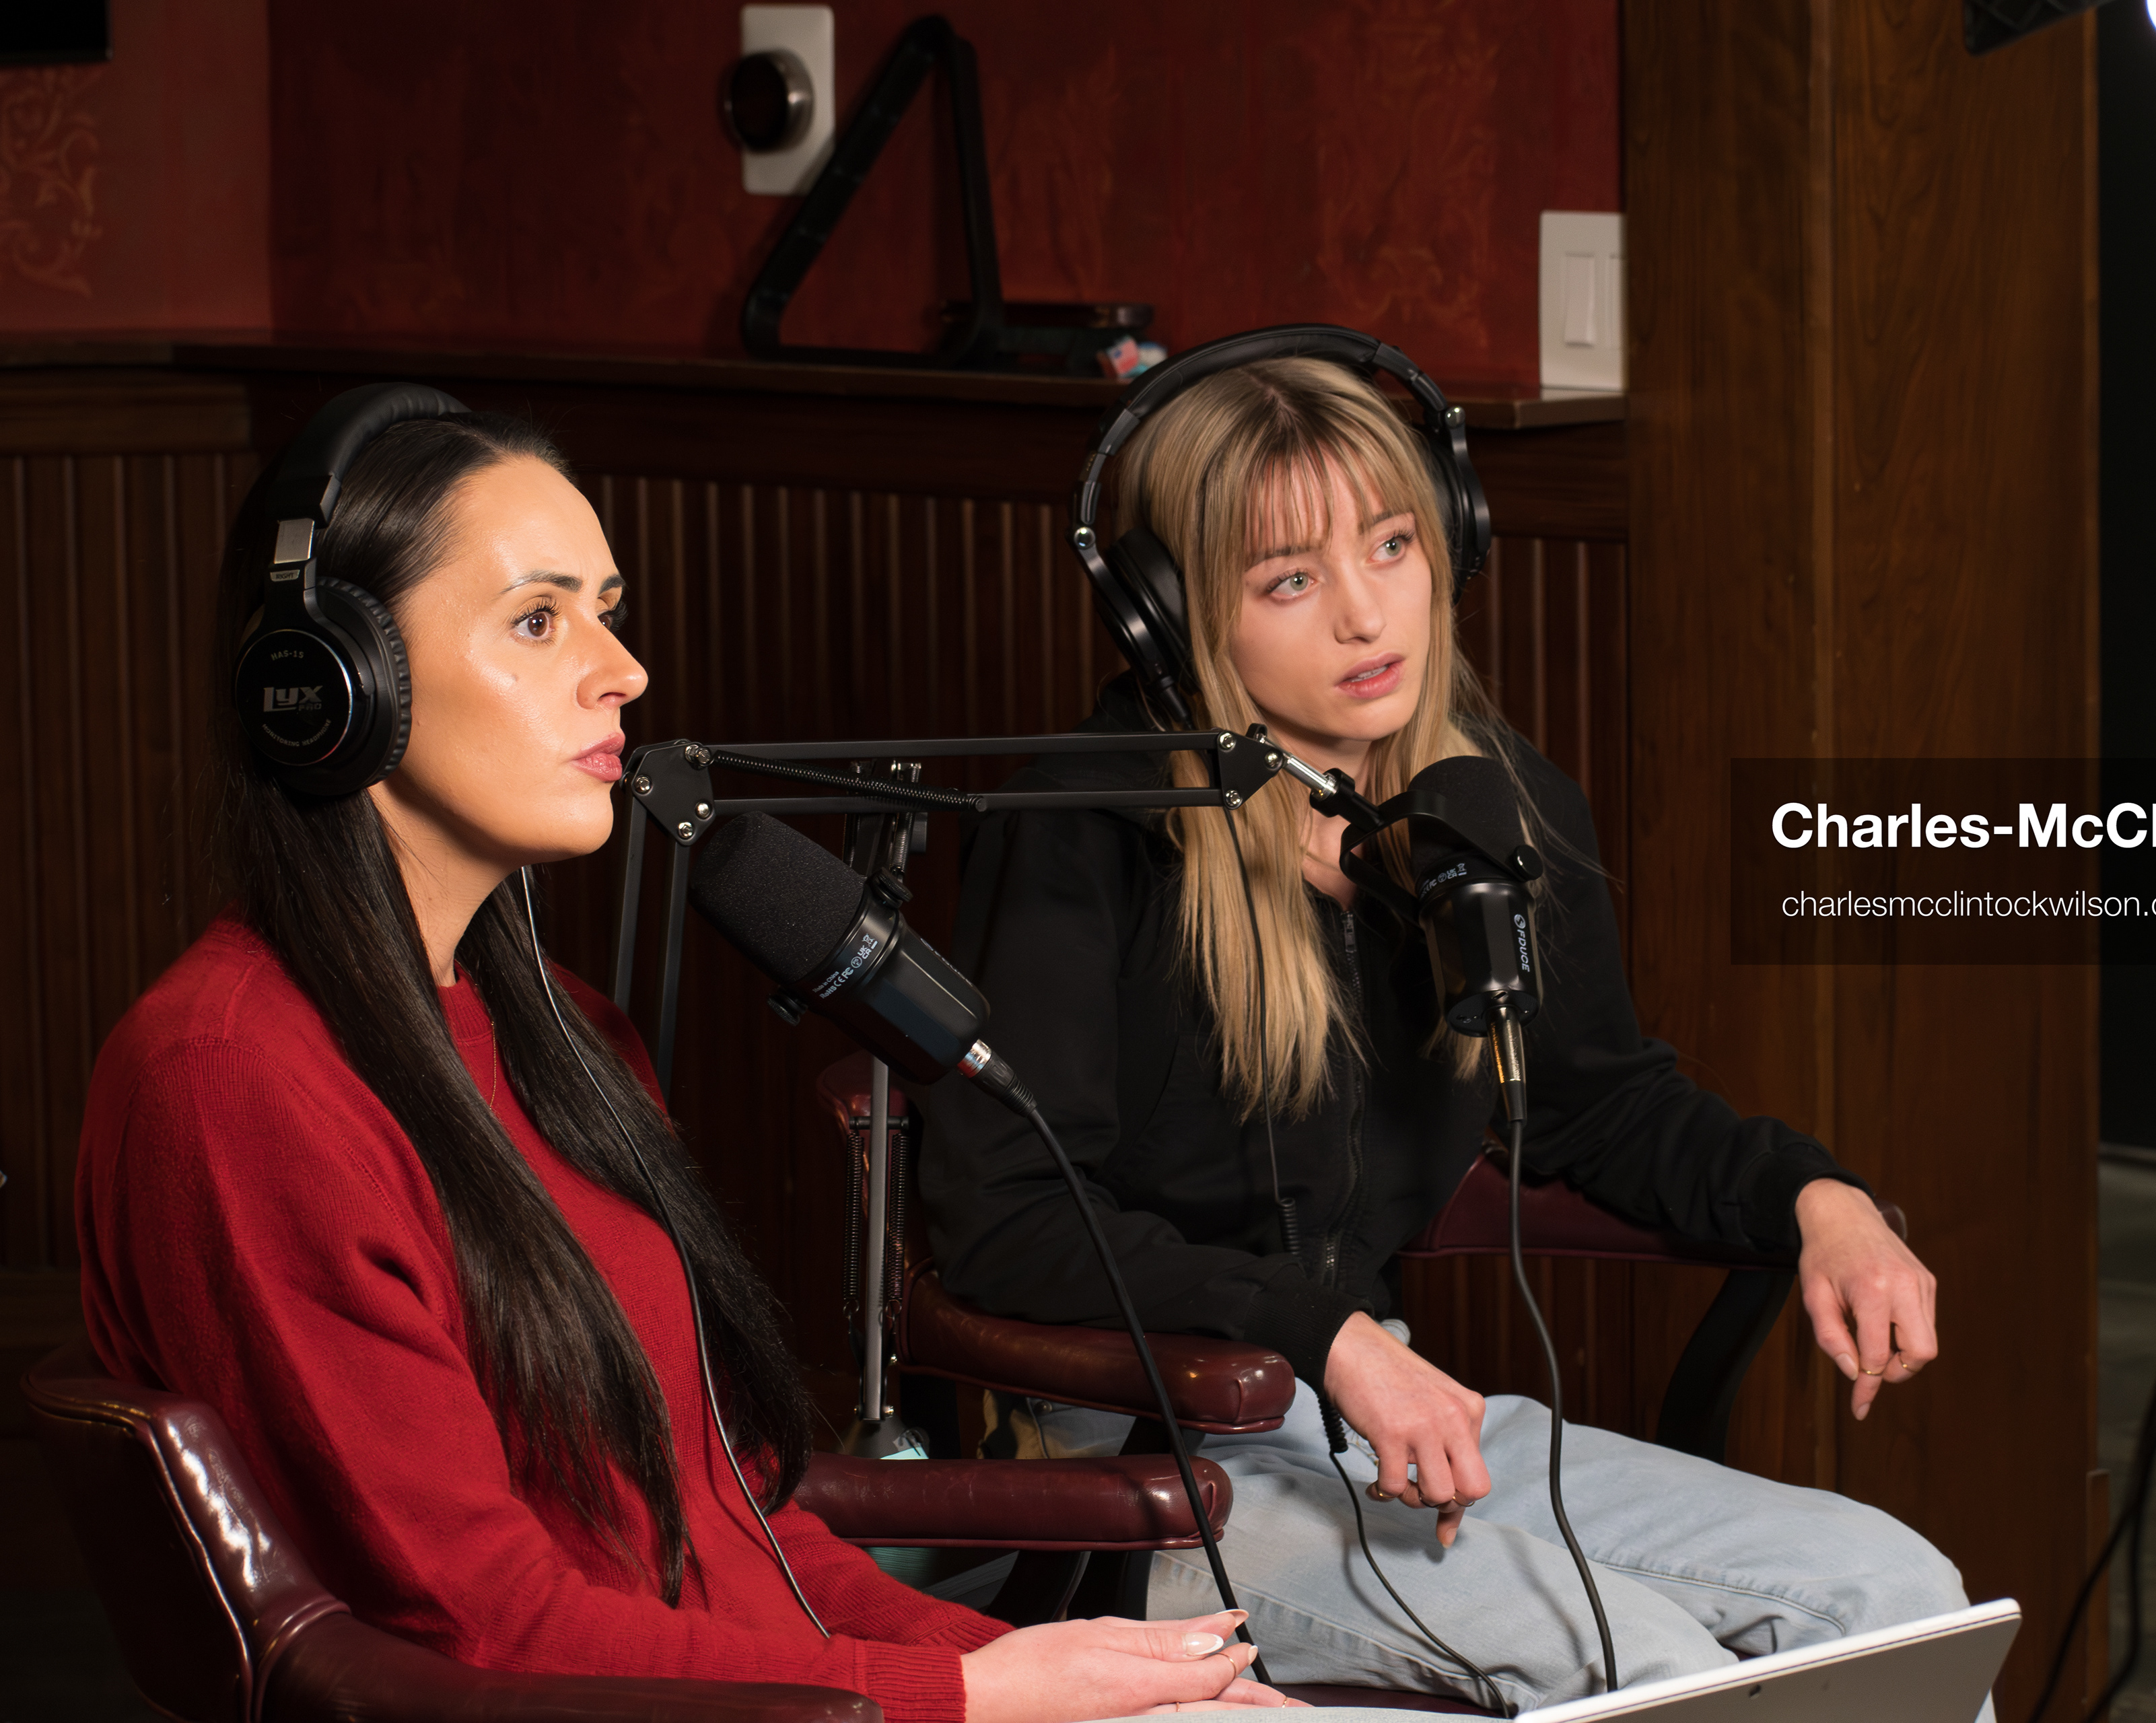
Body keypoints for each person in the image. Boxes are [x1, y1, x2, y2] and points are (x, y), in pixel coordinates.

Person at [75, 399, 1297, 1723]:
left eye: (604, 607)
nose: (624, 670)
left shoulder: (566, 1028)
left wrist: (1113, 1684)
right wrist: (964, 1692)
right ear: (329, 684)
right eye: (539, 620)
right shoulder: (235, 1081)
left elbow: (735, 1523)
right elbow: (485, 1626)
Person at [913, 352, 1976, 1713]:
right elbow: (1006, 1218)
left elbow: (1602, 1105)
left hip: (1384, 1424)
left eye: (1395, 543)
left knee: (1889, 1595)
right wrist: (1330, 1334)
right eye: (1289, 578)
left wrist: (1818, 1195)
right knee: (1646, 1664)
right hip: (1139, 1454)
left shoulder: (1490, 805)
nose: (1368, 612)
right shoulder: (1088, 827)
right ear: (1173, 617)